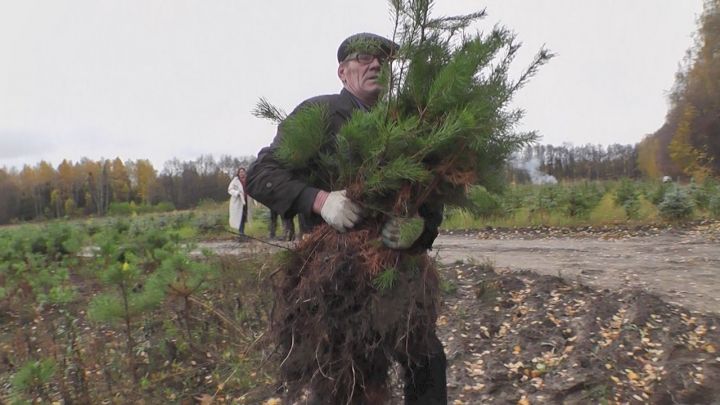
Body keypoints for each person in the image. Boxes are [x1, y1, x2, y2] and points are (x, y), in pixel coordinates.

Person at [247, 33, 446, 404]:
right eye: (364, 58)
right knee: (344, 380)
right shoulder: (320, 114)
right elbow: (262, 175)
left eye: (383, 61)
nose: (375, 65)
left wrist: (418, 228)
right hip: (337, 282)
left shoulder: (407, 126)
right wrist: (320, 201)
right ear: (342, 71)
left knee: (429, 361)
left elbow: (432, 204)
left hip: (396, 275)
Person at [228, 167, 248, 240]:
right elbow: (230, 189)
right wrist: (237, 193)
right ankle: (241, 233)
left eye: (243, 172)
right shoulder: (235, 181)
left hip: (246, 201)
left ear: (245, 173)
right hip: (238, 202)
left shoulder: (247, 180)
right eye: (240, 172)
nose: (242, 173)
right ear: (238, 173)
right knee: (240, 217)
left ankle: (242, 233)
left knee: (244, 218)